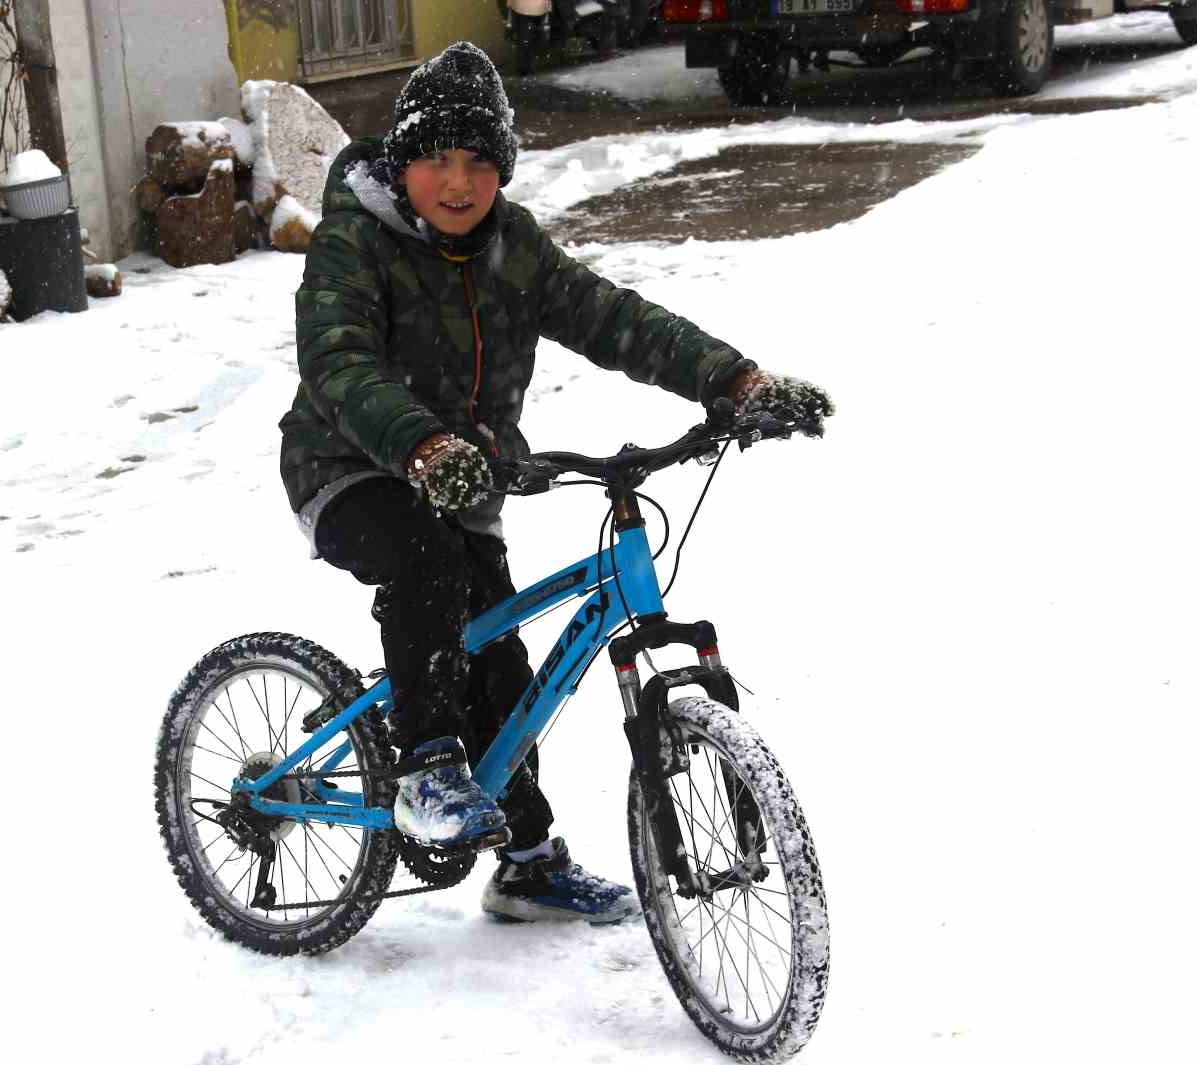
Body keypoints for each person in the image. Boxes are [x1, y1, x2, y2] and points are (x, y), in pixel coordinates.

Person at [280, 42, 833, 924]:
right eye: (437, 160)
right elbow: (339, 363)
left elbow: (614, 319)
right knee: (426, 562)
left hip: (470, 475)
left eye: (479, 164)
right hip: (350, 465)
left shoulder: (515, 246)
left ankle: (529, 861)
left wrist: (735, 382)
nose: (458, 184)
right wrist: (420, 448)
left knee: (503, 665)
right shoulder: (355, 238)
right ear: (401, 160)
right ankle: (426, 768)